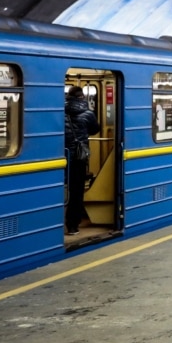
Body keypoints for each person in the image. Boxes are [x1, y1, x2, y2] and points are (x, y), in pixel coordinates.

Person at [64, 86, 100, 235]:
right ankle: (72, 225)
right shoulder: (88, 113)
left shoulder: (60, 110)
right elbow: (94, 130)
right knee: (77, 190)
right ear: (82, 97)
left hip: (61, 156)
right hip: (79, 156)